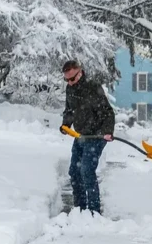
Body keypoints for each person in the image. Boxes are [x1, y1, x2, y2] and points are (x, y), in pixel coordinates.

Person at [59, 60, 115, 214]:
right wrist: (65, 125)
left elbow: (108, 112)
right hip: (80, 135)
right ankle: (80, 209)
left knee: (86, 170)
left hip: (96, 135)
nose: (69, 83)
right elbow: (69, 110)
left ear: (80, 73)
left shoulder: (93, 88)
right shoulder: (70, 89)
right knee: (74, 172)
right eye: (66, 80)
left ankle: (94, 211)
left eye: (72, 79)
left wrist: (107, 131)